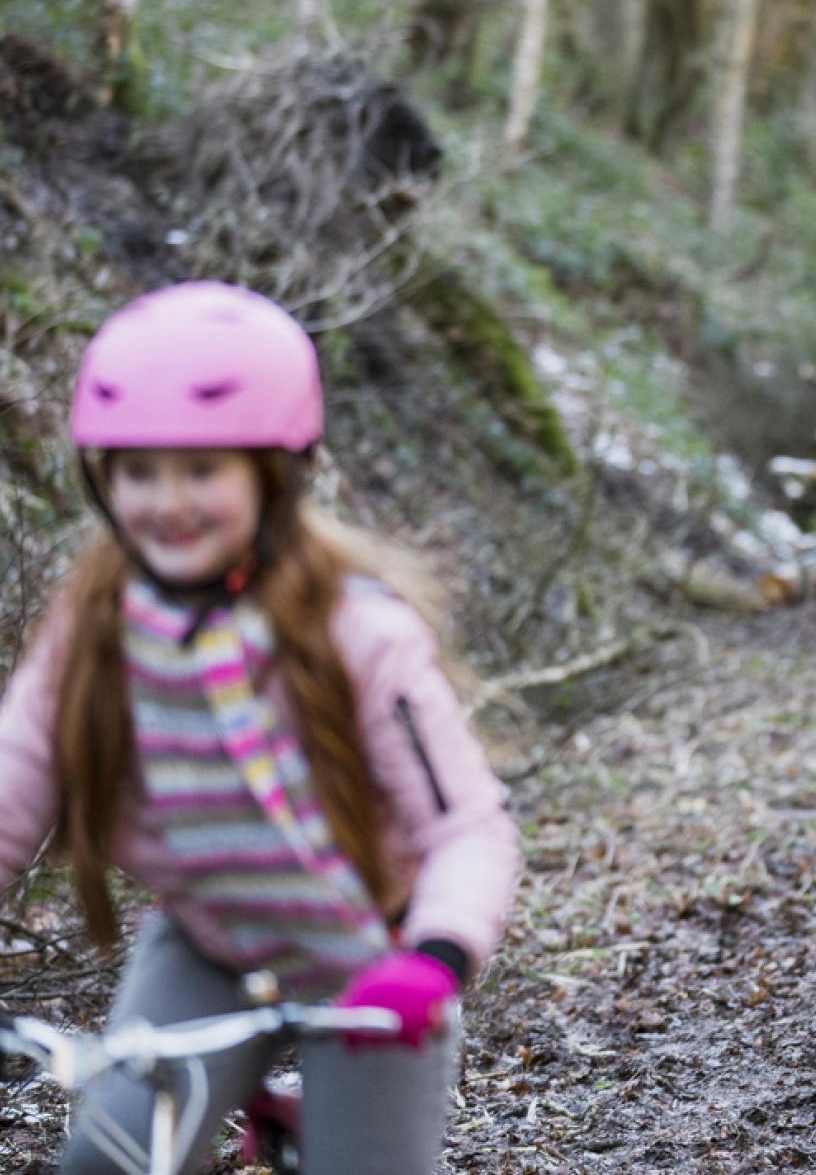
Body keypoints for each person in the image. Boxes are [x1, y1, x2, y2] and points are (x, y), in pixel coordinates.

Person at [0, 282, 521, 1174]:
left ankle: (311, 1122)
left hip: (373, 964)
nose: (168, 502)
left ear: (274, 473)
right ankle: (256, 1099)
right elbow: (11, 785)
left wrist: (432, 963)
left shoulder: (358, 630)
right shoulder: (91, 630)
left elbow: (467, 828)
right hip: (209, 943)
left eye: (202, 469)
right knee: (109, 1158)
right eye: (137, 472)